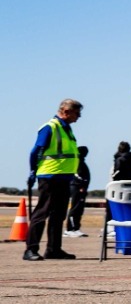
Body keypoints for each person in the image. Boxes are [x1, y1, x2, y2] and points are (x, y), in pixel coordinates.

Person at [24, 100, 83, 261]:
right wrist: (32, 171)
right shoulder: (50, 127)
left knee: (59, 215)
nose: (79, 117)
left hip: (64, 177)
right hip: (49, 177)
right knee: (42, 212)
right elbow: (35, 150)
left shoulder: (66, 129)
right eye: (76, 113)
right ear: (65, 111)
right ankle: (30, 249)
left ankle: (53, 249)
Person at [63, 146, 91, 237]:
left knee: (79, 208)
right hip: (77, 187)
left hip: (81, 188)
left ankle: (76, 227)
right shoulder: (77, 161)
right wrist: (81, 185)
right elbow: (76, 175)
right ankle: (70, 229)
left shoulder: (81, 161)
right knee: (75, 208)